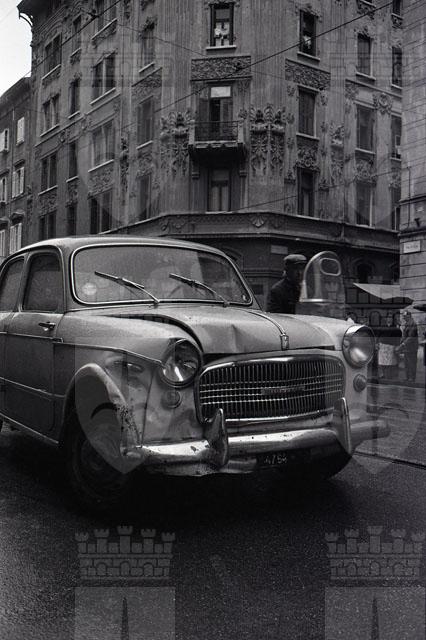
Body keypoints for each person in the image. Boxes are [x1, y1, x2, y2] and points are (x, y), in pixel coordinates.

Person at [377, 314, 402, 381]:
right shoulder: (382, 327)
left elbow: (399, 337)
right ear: (386, 319)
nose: (389, 319)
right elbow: (378, 336)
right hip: (382, 347)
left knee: (390, 363)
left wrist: (397, 346)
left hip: (391, 347)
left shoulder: (396, 328)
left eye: (390, 318)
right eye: (388, 317)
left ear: (393, 319)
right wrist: (377, 344)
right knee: (382, 362)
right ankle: (383, 375)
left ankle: (388, 376)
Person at [396, 310, 419, 383]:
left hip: (411, 348)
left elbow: (411, 337)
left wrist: (402, 344)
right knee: (407, 363)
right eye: (404, 317)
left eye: (405, 317)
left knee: (411, 363)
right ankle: (408, 377)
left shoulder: (413, 324)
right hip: (407, 348)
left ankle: (412, 378)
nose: (404, 318)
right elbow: (405, 336)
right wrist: (401, 343)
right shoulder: (407, 323)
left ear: (409, 316)